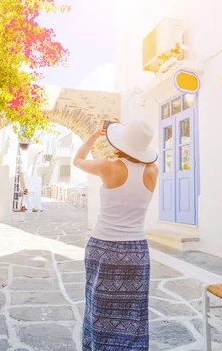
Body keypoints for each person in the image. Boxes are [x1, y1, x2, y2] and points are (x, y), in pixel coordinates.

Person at [73, 119, 159, 350]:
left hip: (104, 248)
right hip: (137, 251)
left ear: (121, 143)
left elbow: (78, 160)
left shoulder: (108, 166)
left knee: (99, 308)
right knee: (134, 312)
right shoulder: (153, 170)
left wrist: (92, 137)